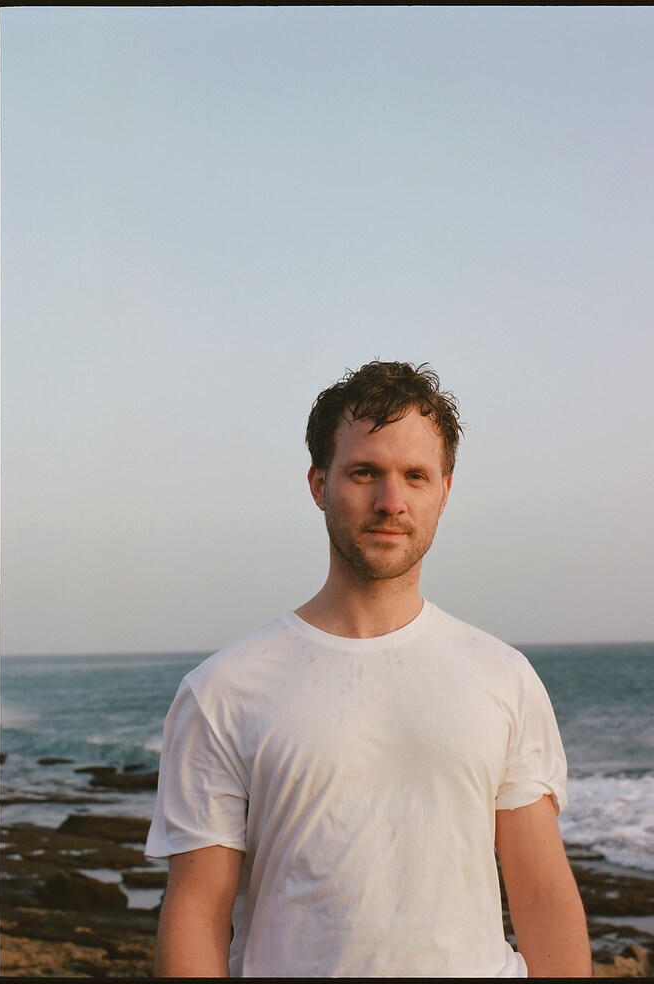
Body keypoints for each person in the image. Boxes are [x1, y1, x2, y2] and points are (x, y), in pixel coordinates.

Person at [146, 360, 591, 978]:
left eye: (415, 475)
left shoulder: (503, 677)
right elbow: (197, 911)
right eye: (365, 473)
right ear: (318, 483)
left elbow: (542, 895)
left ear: (444, 491)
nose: (391, 501)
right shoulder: (223, 690)